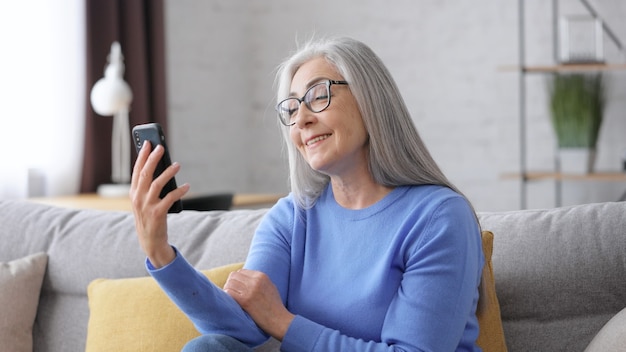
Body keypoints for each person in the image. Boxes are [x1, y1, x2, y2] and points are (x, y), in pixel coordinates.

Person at [130, 36, 485, 351]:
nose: (301, 120)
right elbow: (242, 327)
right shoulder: (292, 216)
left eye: (318, 96)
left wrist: (283, 322)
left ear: (370, 100)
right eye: (291, 108)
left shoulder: (438, 218)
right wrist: (160, 253)